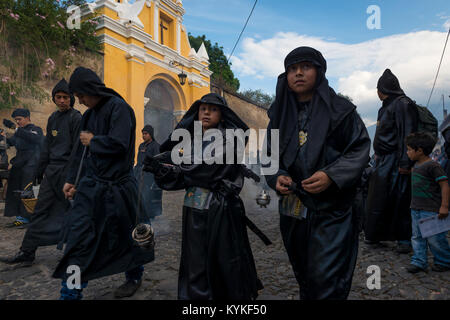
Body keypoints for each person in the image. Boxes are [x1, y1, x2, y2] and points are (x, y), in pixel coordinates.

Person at [264, 46, 370, 300]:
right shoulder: (278, 114)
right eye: (292, 69)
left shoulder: (341, 111)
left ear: (319, 72)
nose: (298, 73)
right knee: (305, 274)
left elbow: (359, 149)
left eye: (305, 67)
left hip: (332, 211)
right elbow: (268, 156)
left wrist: (331, 175)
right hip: (294, 210)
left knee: (327, 278)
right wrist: (277, 175)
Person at [143, 93, 263, 300]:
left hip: (220, 210)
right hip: (193, 210)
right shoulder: (192, 141)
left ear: (222, 115)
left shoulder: (230, 139)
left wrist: (173, 168)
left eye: (213, 109)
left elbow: (204, 170)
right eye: (202, 108)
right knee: (195, 260)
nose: (206, 112)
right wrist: (160, 170)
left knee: (223, 262)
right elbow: (183, 178)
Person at [52, 67, 154, 300]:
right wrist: (72, 180)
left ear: (91, 89)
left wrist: (94, 141)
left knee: (131, 237)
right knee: (78, 243)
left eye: (81, 95)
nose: (80, 101)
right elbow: (80, 151)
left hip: (119, 187)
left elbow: (120, 146)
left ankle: (134, 276)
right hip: (91, 189)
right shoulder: (88, 116)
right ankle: (70, 294)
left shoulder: (120, 109)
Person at [0, 79, 82, 267]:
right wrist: (40, 170)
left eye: (65, 97)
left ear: (71, 98)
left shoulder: (76, 118)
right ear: (54, 98)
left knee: (70, 213)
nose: (61, 100)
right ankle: (27, 251)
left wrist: (72, 178)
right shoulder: (53, 118)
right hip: (51, 173)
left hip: (66, 174)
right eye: (58, 97)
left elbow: (78, 151)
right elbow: (46, 147)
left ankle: (74, 251)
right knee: (39, 211)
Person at [365, 69, 418, 253]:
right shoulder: (386, 107)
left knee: (400, 199)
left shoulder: (403, 105)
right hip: (383, 161)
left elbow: (408, 134)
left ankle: (404, 240)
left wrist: (405, 162)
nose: (377, 92)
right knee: (378, 200)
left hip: (397, 160)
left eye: (378, 88)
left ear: (384, 88)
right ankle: (376, 235)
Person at [404, 132, 450, 273]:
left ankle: (444, 261)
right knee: (417, 237)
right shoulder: (416, 166)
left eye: (409, 149)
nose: (407, 152)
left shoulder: (433, 166)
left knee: (435, 238)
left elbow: (445, 186)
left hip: (430, 210)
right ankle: (419, 261)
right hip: (416, 208)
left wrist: (444, 206)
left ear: (419, 151)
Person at [2, 108, 43, 228]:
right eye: (16, 120)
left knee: (28, 192)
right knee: (16, 191)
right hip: (19, 165)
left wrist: (15, 128)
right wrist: (3, 137)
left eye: (19, 119)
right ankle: (20, 217)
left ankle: (29, 218)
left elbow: (34, 138)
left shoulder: (36, 130)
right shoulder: (19, 132)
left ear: (27, 118)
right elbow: (11, 142)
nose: (18, 122)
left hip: (31, 165)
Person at [134, 125, 162, 222]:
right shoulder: (141, 146)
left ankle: (150, 215)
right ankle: (141, 214)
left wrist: (150, 171)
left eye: (146, 134)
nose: (143, 136)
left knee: (149, 196)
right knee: (140, 195)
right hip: (140, 175)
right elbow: (138, 161)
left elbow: (157, 161)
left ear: (151, 134)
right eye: (143, 133)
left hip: (150, 176)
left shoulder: (156, 146)